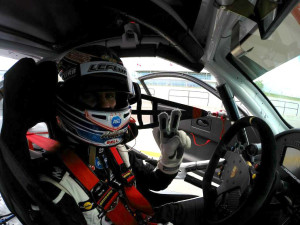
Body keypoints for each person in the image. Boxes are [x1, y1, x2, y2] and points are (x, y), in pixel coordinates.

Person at [23, 45, 193, 225]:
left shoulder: (117, 150)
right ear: (69, 98)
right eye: (91, 95)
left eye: (110, 95)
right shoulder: (55, 183)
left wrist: (169, 159)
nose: (106, 106)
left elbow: (155, 183)